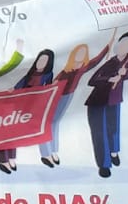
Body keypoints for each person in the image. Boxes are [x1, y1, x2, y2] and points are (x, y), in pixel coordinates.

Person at [43, 35, 114, 167]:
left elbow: (97, 60)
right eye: (78, 52)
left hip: (67, 96)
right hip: (56, 95)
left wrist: (108, 46)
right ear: (74, 54)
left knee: (54, 122)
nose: (80, 55)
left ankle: (52, 151)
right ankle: (50, 152)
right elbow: (54, 82)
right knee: (51, 122)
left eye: (83, 53)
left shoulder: (83, 67)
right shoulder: (66, 69)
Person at [86, 31, 128, 178]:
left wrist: (125, 73)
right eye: (122, 43)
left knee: (113, 129)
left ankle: (114, 152)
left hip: (114, 100)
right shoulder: (110, 62)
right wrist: (109, 79)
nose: (124, 46)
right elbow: (91, 80)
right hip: (97, 102)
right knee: (100, 133)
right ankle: (104, 164)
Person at [0, 49, 56, 173]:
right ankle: (4, 160)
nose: (41, 62)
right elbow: (17, 86)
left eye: (44, 60)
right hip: (20, 105)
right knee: (9, 131)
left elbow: (47, 90)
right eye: (40, 59)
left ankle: (12, 158)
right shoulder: (29, 75)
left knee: (22, 133)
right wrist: (10, 91)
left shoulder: (47, 75)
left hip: (33, 109)